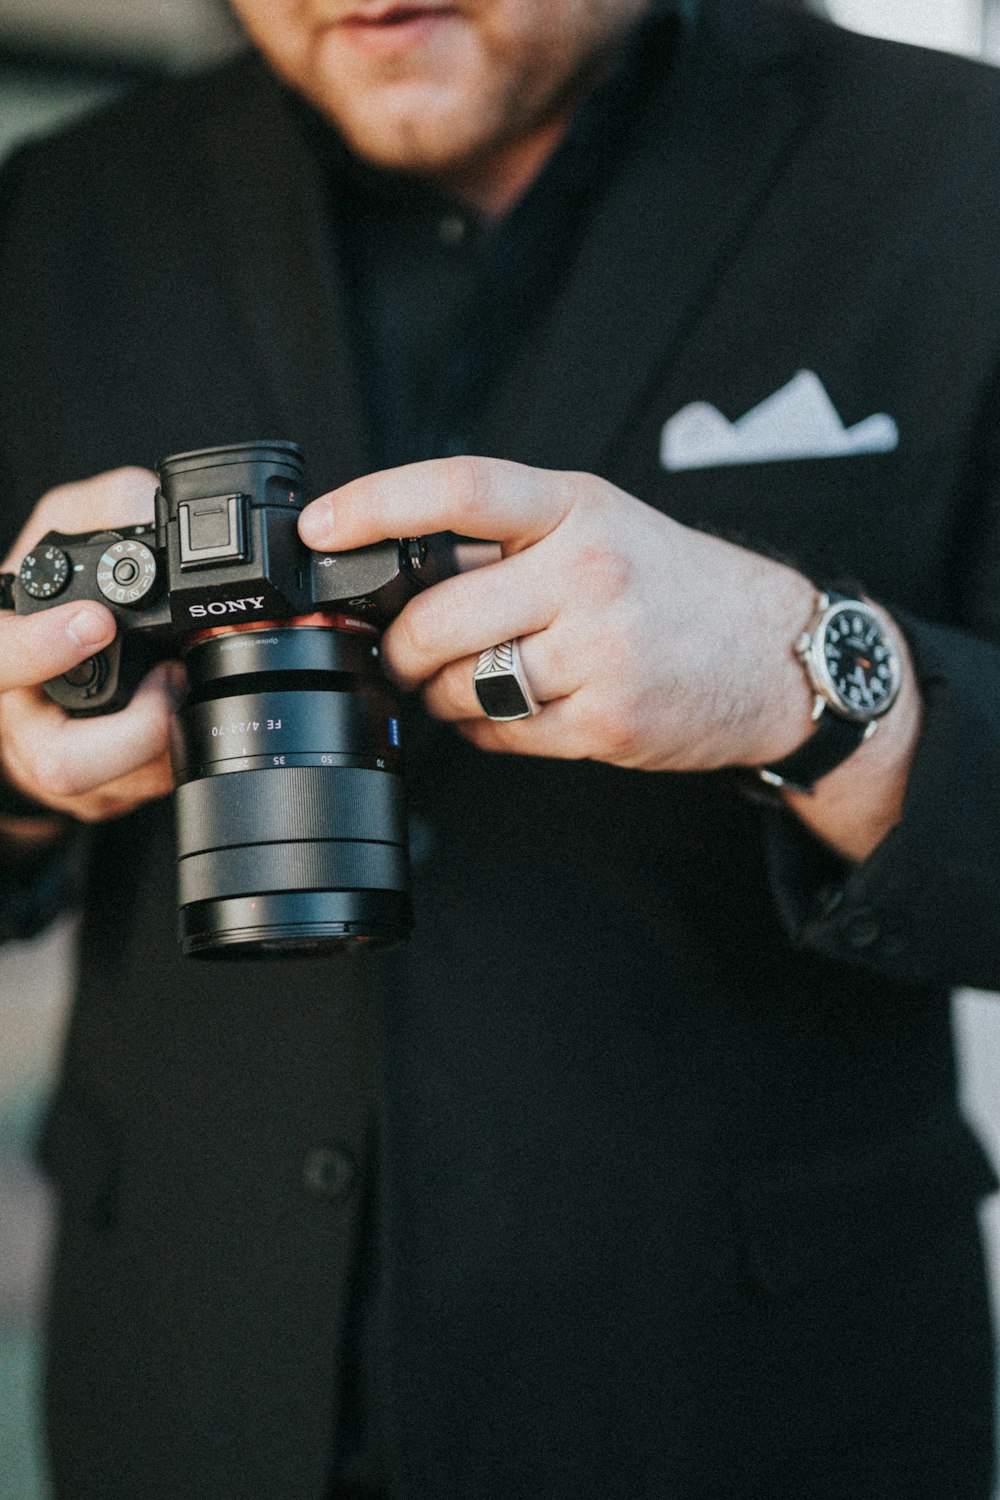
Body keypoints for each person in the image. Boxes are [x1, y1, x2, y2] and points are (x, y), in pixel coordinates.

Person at [1, 0, 1000, 1494]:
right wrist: (17, 772)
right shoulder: (56, 208)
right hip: (177, 1381)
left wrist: (804, 673)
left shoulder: (953, 170)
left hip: (755, 1404)